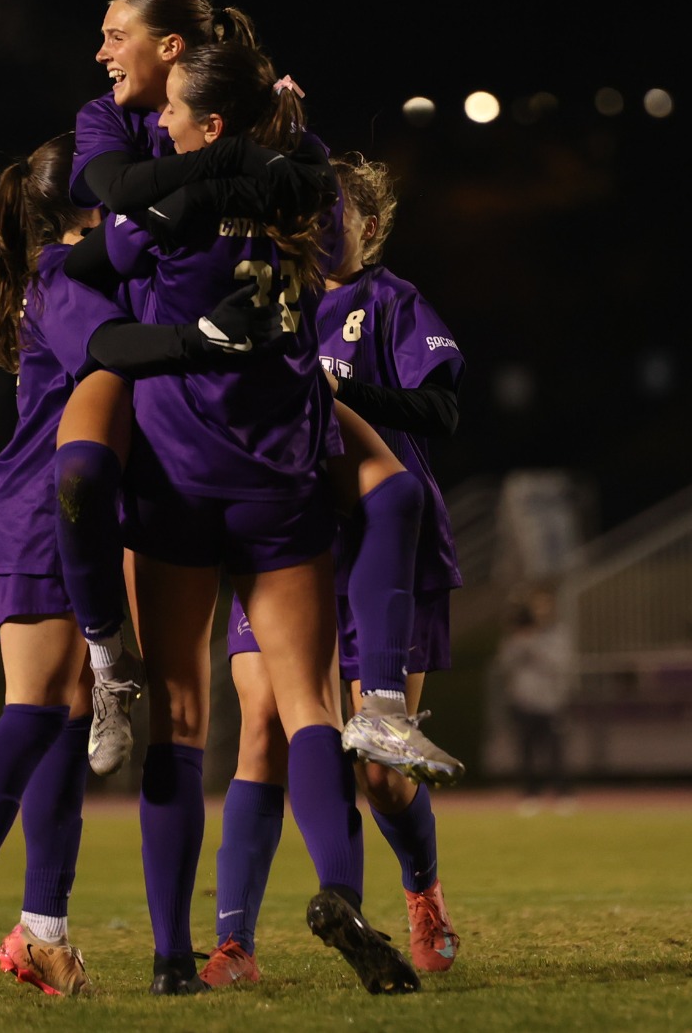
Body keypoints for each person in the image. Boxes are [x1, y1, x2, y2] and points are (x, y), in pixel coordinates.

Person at [0, 136, 286, 1001]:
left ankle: (43, 930)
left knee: (68, 728)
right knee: (36, 713)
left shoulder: (88, 262)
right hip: (40, 515)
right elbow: (118, 346)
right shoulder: (59, 275)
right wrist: (206, 338)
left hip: (73, 516)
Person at [76, 38, 421, 995]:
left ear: (211, 122)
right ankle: (342, 892)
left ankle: (170, 957)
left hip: (181, 476)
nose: (163, 126)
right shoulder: (301, 196)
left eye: (179, 114)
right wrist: (289, 132)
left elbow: (101, 259)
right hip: (281, 476)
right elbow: (341, 231)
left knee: (181, 719)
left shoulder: (167, 208)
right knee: (310, 703)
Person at [59, 0, 460, 790]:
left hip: (255, 396)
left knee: (392, 502)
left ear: (173, 52)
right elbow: (105, 222)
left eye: (115, 34)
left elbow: (319, 200)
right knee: (80, 470)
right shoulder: (110, 119)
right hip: (143, 363)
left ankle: (380, 704)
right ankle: (106, 656)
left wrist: (237, 181)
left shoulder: (271, 120)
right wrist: (231, 172)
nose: (101, 52)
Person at [202, 153, 466, 987]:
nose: (321, 221)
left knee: (382, 777)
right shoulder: (276, 299)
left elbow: (443, 408)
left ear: (371, 224)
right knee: (259, 728)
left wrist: (331, 395)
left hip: (389, 554)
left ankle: (422, 892)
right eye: (312, 208)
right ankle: (233, 942)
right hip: (291, 541)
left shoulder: (392, 304)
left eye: (338, 209)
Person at [495, 594, 574, 812]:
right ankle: (530, 794)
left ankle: (562, 794)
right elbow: (504, 665)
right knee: (525, 751)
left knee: (555, 752)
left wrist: (533, 646)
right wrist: (521, 640)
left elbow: (560, 664)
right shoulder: (515, 637)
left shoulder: (557, 635)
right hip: (523, 701)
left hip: (551, 702)